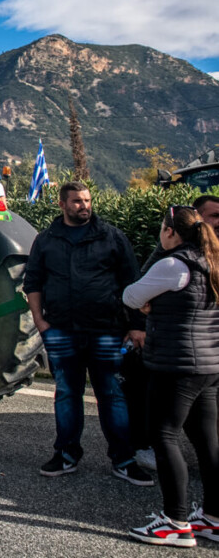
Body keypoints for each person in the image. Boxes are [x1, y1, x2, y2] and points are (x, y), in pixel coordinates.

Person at [23, 181, 153, 485]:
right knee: (67, 394)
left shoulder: (111, 236)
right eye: (77, 201)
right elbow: (33, 282)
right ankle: (66, 454)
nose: (84, 206)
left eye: (87, 200)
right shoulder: (46, 239)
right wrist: (40, 322)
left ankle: (123, 459)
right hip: (61, 331)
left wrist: (136, 325)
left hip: (106, 330)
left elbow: (132, 282)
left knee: (111, 394)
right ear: (62, 204)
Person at [124, 205, 219, 547]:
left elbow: (131, 295)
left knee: (164, 436)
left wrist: (150, 303)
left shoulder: (173, 264)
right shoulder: (212, 262)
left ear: (169, 231)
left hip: (176, 364)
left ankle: (175, 522)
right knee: (207, 441)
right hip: (210, 365)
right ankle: (213, 518)